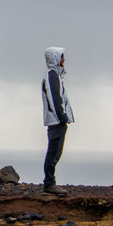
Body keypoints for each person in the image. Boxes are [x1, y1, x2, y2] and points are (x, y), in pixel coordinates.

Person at [41, 46, 74, 194]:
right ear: (55, 58)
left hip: (56, 120)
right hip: (56, 121)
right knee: (54, 152)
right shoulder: (53, 76)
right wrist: (62, 117)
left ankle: (50, 182)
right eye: (61, 56)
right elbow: (55, 99)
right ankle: (49, 183)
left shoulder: (55, 76)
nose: (64, 59)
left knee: (55, 152)